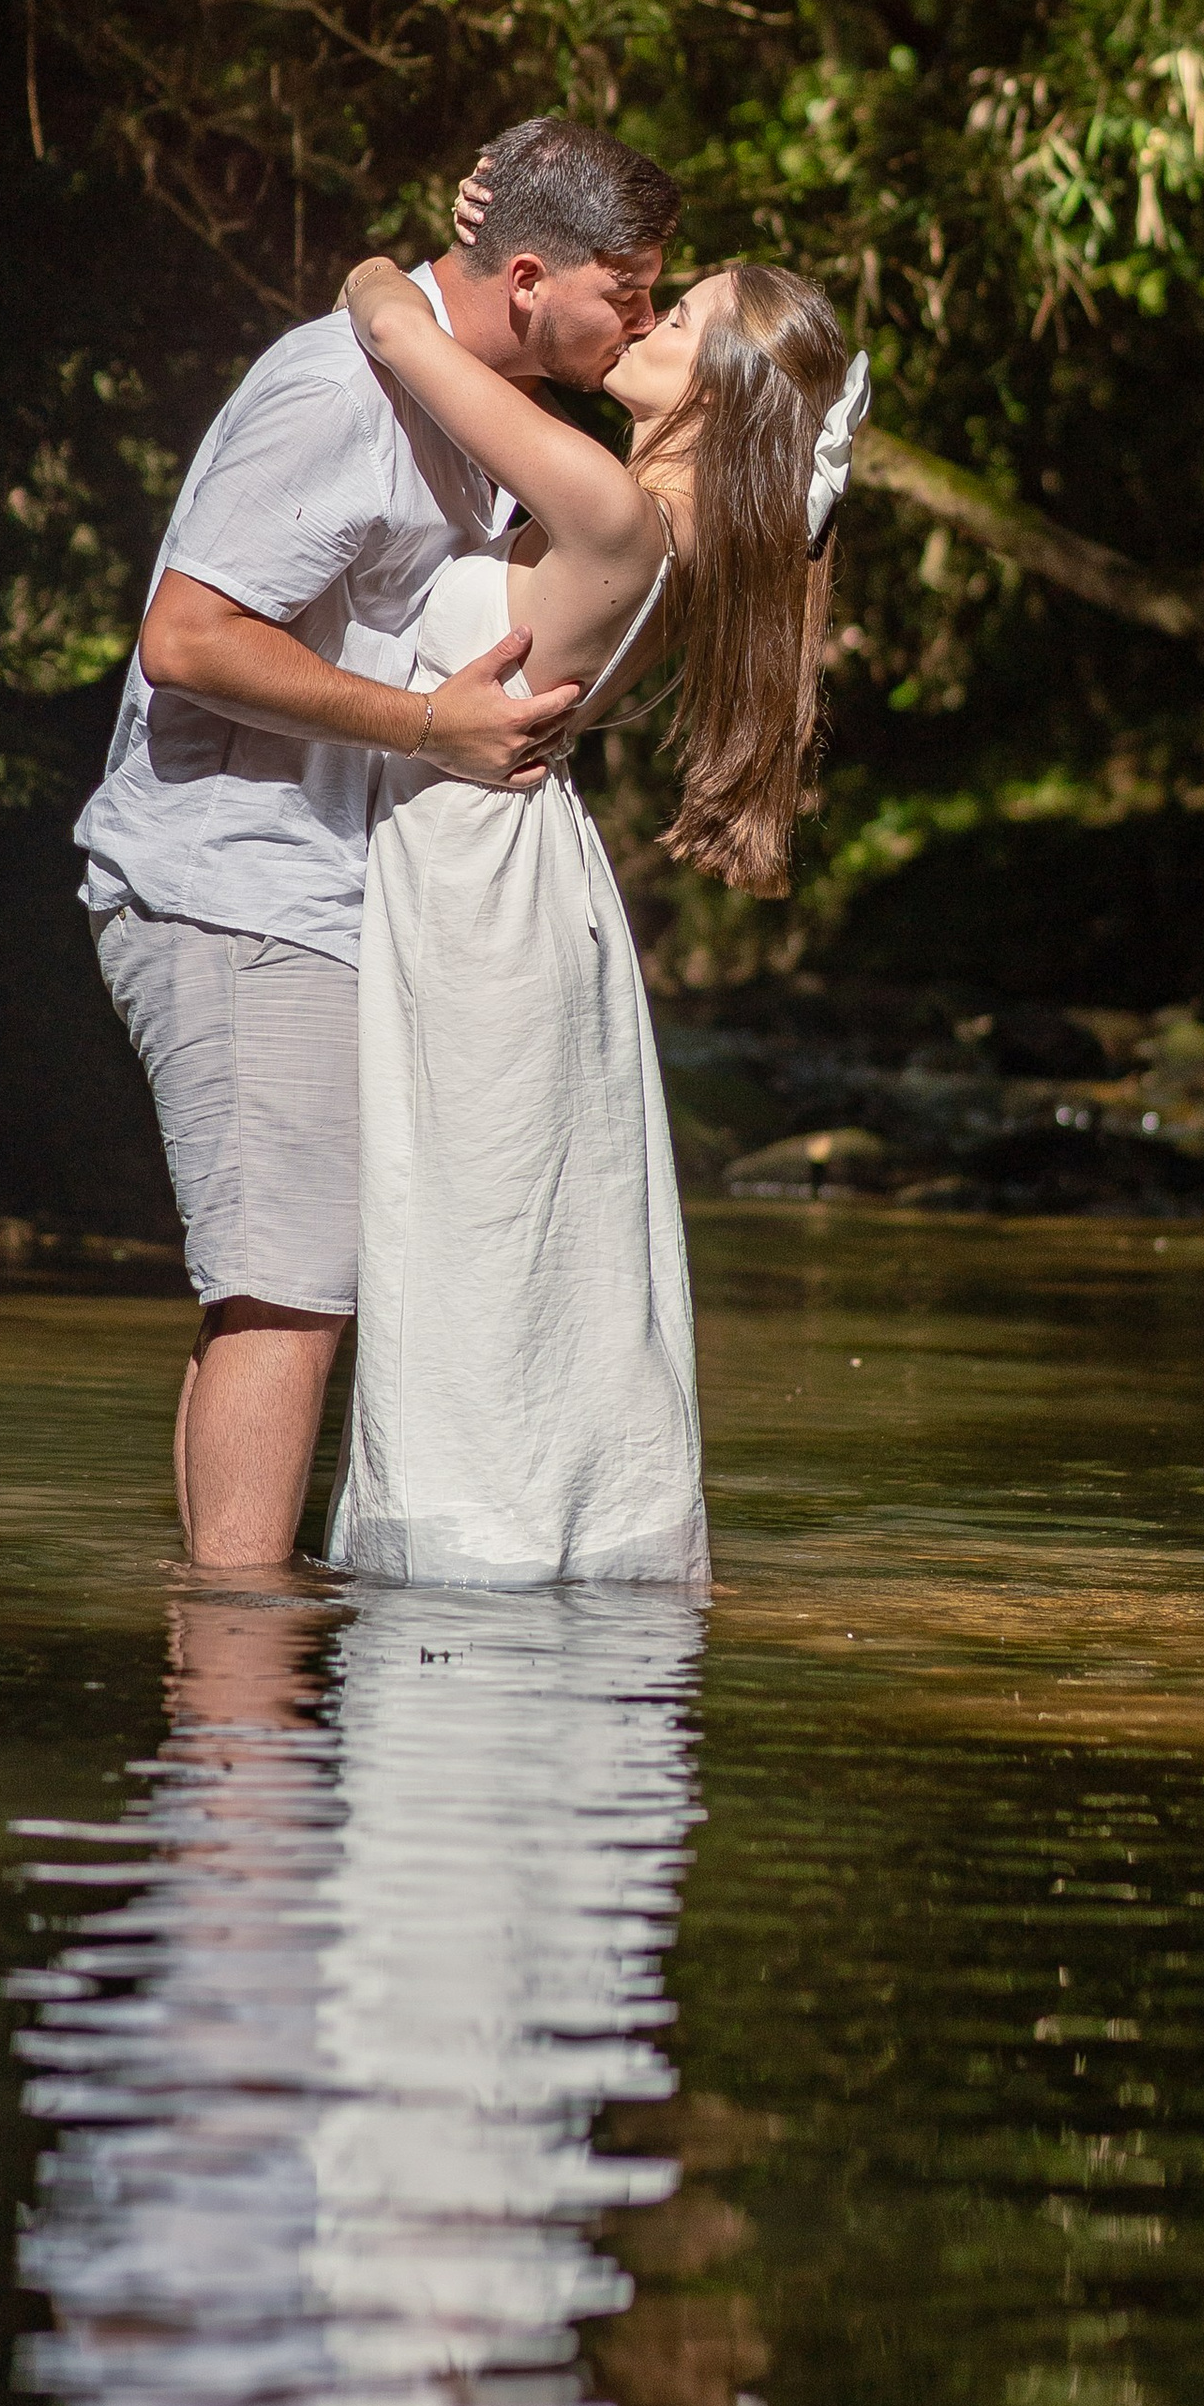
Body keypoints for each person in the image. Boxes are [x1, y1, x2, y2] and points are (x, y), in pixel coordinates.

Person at [74, 116, 685, 1571]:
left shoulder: (460, 402)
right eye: (635, 290)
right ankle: (239, 1701)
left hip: (327, 897)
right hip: (233, 884)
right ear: (530, 276)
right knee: (289, 1295)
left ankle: (230, 1730)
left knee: (272, 1293)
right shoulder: (335, 393)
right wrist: (427, 735)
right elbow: (185, 636)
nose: (647, 320)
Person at [322, 231, 868, 1589]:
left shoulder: (616, 512)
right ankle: (536, 1535)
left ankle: (475, 1556)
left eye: (676, 316)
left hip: (476, 877)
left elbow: (392, 328)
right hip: (507, 867)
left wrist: (404, 259)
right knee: (506, 1224)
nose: (639, 318)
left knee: (476, 1226)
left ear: (720, 393)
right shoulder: (642, 512)